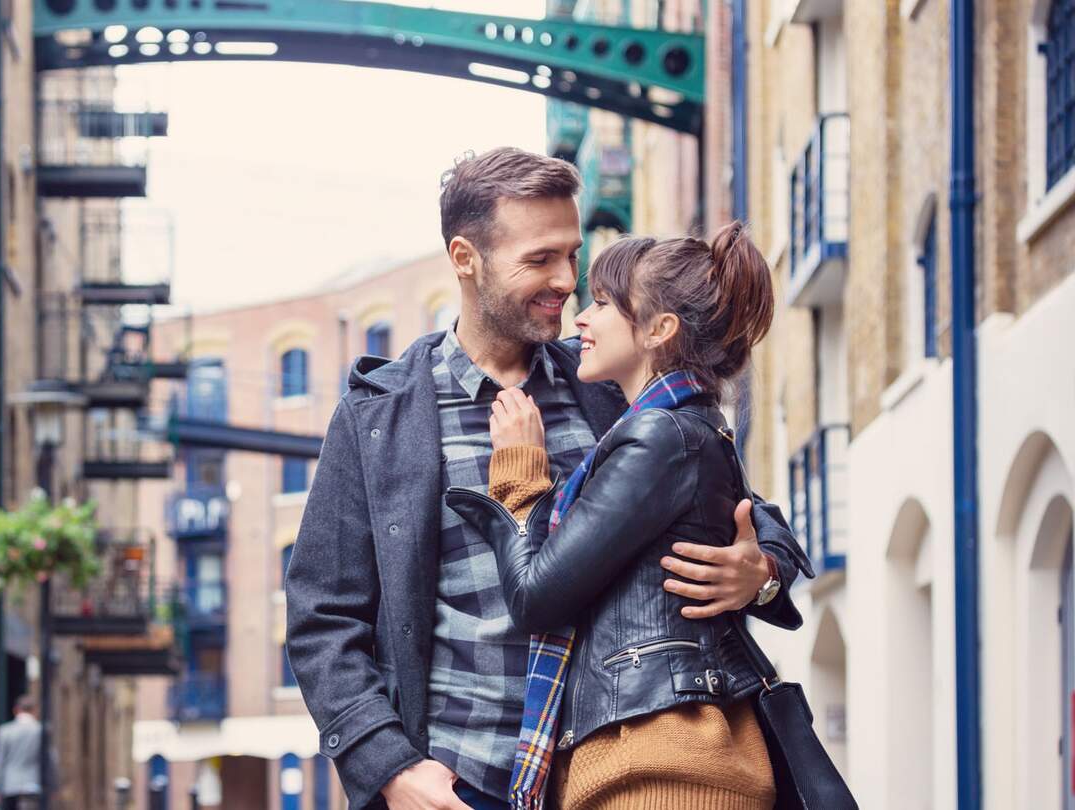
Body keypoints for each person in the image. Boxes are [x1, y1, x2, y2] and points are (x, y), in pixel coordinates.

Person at [285, 147, 812, 810]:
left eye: (572, 254)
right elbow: (322, 618)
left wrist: (759, 572)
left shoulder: (608, 385)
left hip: (599, 775)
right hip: (456, 782)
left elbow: (732, 496)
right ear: (465, 259)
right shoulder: (378, 418)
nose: (566, 279)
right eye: (540, 259)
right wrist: (391, 768)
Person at [447, 225, 790, 810]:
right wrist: (766, 571)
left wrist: (519, 475)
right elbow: (753, 512)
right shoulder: (679, 421)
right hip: (660, 753)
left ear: (659, 330)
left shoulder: (661, 434)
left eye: (604, 302)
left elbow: (536, 597)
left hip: (660, 765)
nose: (581, 315)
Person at [0, 695, 46, 810]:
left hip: (10, 784)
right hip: (32, 784)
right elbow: (47, 760)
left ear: (16, 710)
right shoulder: (40, 731)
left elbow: (0, 762)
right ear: (34, 710)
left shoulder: (4, 731)